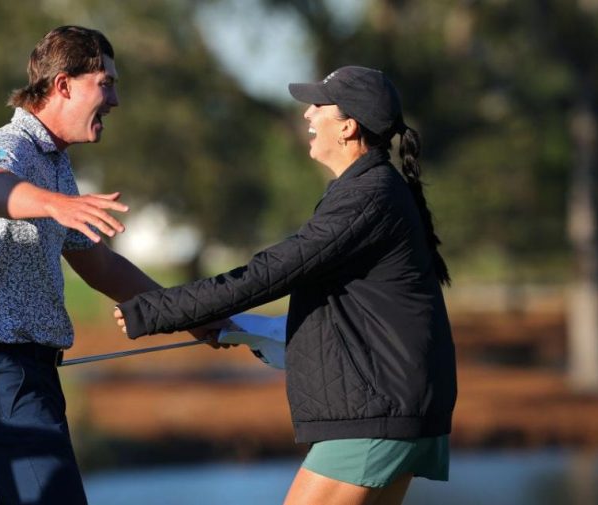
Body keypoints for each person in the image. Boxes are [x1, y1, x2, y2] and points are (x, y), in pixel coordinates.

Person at [114, 66, 457, 505]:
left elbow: (270, 273)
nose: (307, 115)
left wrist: (157, 310)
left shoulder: (367, 195)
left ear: (348, 127)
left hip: (376, 419)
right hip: (395, 414)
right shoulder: (372, 189)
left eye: (319, 106)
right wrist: (246, 327)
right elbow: (350, 311)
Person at [0, 25, 213, 505]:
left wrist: (192, 316)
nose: (116, 99)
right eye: (106, 82)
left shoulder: (58, 165)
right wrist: (54, 205)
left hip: (29, 381)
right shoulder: (11, 144)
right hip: (0, 378)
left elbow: (102, 268)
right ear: (63, 85)